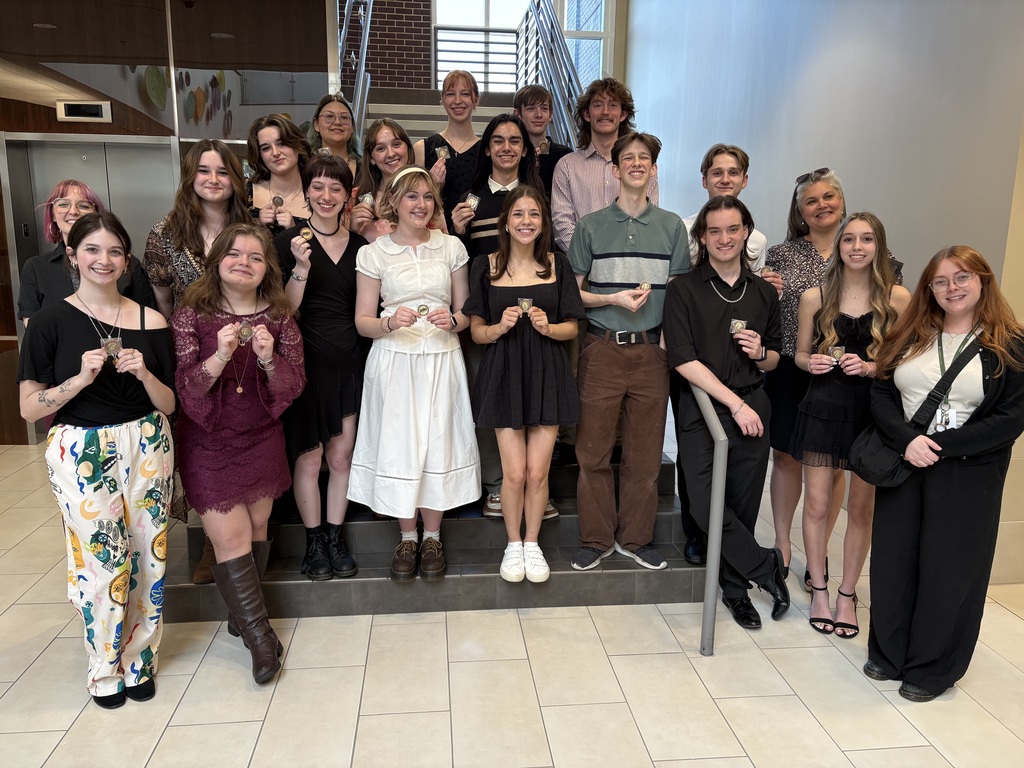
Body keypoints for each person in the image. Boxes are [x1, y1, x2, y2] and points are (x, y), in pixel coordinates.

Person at [18, 211, 176, 708]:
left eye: (114, 251)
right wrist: (78, 381)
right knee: (103, 559)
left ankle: (139, 659)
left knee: (150, 553)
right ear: (72, 255)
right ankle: (104, 665)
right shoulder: (49, 322)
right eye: (92, 249)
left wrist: (146, 374)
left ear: (126, 260)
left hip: (147, 441)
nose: (103, 260)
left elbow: (170, 403)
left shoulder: (151, 320)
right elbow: (28, 408)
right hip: (81, 448)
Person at [865, 246, 1024, 702]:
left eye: (962, 277)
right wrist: (907, 441)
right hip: (906, 462)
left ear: (983, 280)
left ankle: (933, 668)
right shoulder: (910, 333)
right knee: (894, 561)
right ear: (929, 288)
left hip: (968, 473)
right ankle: (889, 652)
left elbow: (1011, 417)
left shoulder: (1011, 343)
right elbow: (881, 394)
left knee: (951, 569)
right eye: (940, 280)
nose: (951, 287)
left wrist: (941, 447)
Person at [171, 223, 305, 684]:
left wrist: (268, 358)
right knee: (231, 538)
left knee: (257, 527)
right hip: (207, 440)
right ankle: (261, 637)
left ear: (267, 268)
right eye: (235, 254)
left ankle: (240, 618)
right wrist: (221, 355)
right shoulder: (191, 313)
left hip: (261, 436)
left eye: (255, 257)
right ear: (217, 261)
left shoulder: (280, 315)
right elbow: (187, 389)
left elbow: (293, 383)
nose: (244, 263)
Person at [764, 168, 902, 586]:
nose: (821, 205)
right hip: (796, 366)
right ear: (800, 211)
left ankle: (818, 557)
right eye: (811, 200)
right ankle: (783, 545)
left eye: (829, 197)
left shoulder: (885, 264)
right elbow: (770, 308)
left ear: (841, 203)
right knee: (786, 457)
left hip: (856, 378)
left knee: (836, 464)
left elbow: (895, 329)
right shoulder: (781, 255)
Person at [663, 196, 790, 629]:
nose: (724, 238)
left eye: (733, 229)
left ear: (746, 232)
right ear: (702, 236)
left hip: (754, 403)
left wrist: (760, 353)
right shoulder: (683, 289)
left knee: (743, 502)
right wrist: (734, 405)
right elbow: (682, 358)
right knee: (704, 504)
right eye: (714, 231)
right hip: (703, 407)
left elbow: (774, 358)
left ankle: (736, 591)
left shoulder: (764, 292)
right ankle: (764, 566)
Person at [349, 167, 480, 581]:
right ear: (394, 202)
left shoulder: (451, 247)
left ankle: (433, 537)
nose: (420, 204)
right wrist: (389, 322)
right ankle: (407, 536)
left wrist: (454, 321)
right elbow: (362, 322)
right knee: (400, 445)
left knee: (438, 443)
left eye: (427, 197)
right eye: (411, 196)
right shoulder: (374, 253)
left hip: (441, 356)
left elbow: (465, 312)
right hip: (394, 360)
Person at [568, 132, 687, 572]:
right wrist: (612, 299)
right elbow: (572, 294)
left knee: (644, 455)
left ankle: (635, 539)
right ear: (615, 170)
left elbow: (677, 295)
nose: (637, 164)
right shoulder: (590, 226)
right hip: (602, 348)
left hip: (651, 352)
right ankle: (597, 539)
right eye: (628, 158)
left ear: (653, 169)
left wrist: (666, 346)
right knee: (593, 452)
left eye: (644, 159)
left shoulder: (672, 227)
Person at [790, 213, 910, 638]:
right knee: (817, 504)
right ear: (839, 246)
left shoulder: (898, 298)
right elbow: (799, 355)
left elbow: (908, 360)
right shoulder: (814, 296)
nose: (857, 247)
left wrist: (874, 366)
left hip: (873, 413)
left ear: (879, 246)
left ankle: (847, 595)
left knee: (861, 508)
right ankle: (819, 589)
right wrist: (811, 362)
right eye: (849, 240)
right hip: (823, 407)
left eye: (867, 239)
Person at [144, 138, 253, 585]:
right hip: (193, 358)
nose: (213, 179)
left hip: (246, 354)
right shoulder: (165, 234)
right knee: (200, 446)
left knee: (243, 442)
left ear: (236, 179)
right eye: (204, 171)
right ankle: (210, 535)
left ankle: (234, 539)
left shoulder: (252, 226)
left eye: (223, 171)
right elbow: (161, 304)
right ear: (190, 177)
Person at [464, 186, 585, 582]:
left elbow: (572, 327)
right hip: (503, 373)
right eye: (518, 214)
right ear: (505, 222)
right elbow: (476, 332)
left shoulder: (557, 264)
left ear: (543, 223)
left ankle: (532, 544)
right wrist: (498, 327)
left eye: (534, 214)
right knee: (513, 474)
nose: (526, 221)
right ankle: (512, 545)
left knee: (537, 472)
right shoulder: (485, 266)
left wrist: (549, 327)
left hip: (548, 372)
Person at [274, 155, 368, 581]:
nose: (326, 196)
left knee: (341, 457)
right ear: (306, 191)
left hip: (350, 359)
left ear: (348, 195)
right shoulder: (287, 242)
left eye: (336, 188)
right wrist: (301, 267)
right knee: (309, 459)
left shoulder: (362, 247)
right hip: (305, 362)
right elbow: (284, 312)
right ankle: (313, 542)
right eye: (318, 187)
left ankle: (334, 536)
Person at [673, 144, 768, 566]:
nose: (724, 238)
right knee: (697, 473)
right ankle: (705, 535)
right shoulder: (683, 236)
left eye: (733, 172)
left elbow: (770, 345)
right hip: (696, 377)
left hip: (743, 378)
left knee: (741, 479)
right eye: (717, 172)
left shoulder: (759, 258)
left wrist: (761, 351)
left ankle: (735, 562)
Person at [450, 114, 546, 519]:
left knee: (534, 398)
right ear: (486, 149)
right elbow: (456, 259)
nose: (506, 147)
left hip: (534, 317)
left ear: (525, 149)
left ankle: (535, 486)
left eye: (514, 141)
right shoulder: (469, 198)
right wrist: (456, 231)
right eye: (498, 140)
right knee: (489, 398)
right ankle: (496, 484)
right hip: (486, 318)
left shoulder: (537, 194)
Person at [19, 179, 155, 325]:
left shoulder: (124, 263)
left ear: (96, 214)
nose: (73, 211)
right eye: (63, 204)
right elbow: (33, 329)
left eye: (83, 205)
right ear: (52, 214)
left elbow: (146, 318)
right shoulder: (35, 267)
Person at [551, 77, 658, 253]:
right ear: (587, 114)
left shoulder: (641, 166)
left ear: (623, 114)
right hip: (583, 265)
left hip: (631, 261)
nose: (605, 112)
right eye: (598, 105)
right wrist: (588, 258)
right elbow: (562, 223)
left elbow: (649, 217)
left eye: (613, 105)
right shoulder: (566, 166)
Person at [413, 70, 481, 225]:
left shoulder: (486, 151)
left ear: (475, 99)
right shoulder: (423, 148)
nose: (457, 101)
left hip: (475, 234)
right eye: (450, 94)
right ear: (442, 99)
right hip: (433, 233)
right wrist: (432, 187)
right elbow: (412, 200)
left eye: (465, 94)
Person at [350, 118, 416, 242]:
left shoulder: (426, 195)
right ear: (371, 158)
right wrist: (352, 230)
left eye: (396, 144)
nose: (391, 154)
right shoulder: (355, 198)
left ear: (408, 147)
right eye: (381, 148)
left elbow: (441, 242)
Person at [247, 114, 312, 234]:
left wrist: (294, 230)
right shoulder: (245, 191)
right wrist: (258, 226)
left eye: (281, 143)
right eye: (266, 148)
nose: (275, 153)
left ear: (298, 146)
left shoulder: (319, 194)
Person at [512, 84, 571, 199]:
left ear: (550, 114)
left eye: (544, 108)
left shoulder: (565, 155)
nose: (538, 115)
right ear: (517, 114)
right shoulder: (511, 156)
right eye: (531, 108)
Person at [308, 93, 360, 177]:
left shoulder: (366, 167)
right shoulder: (304, 163)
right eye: (329, 116)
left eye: (344, 117)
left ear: (352, 127)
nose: (337, 122)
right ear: (316, 124)